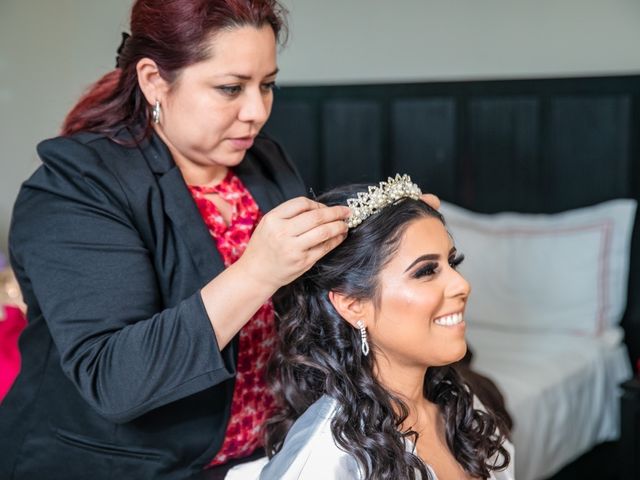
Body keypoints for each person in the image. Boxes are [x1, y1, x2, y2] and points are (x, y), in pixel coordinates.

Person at [0, 1, 440, 479]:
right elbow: (115, 380)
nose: (256, 112)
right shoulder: (77, 186)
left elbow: (313, 294)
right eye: (230, 88)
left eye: (267, 85)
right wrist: (257, 271)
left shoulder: (265, 163)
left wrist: (389, 240)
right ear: (153, 80)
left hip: (261, 454)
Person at [260, 176, 514, 479]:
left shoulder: (463, 408)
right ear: (353, 305)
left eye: (452, 263)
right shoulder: (327, 460)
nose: (462, 285)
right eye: (426, 271)